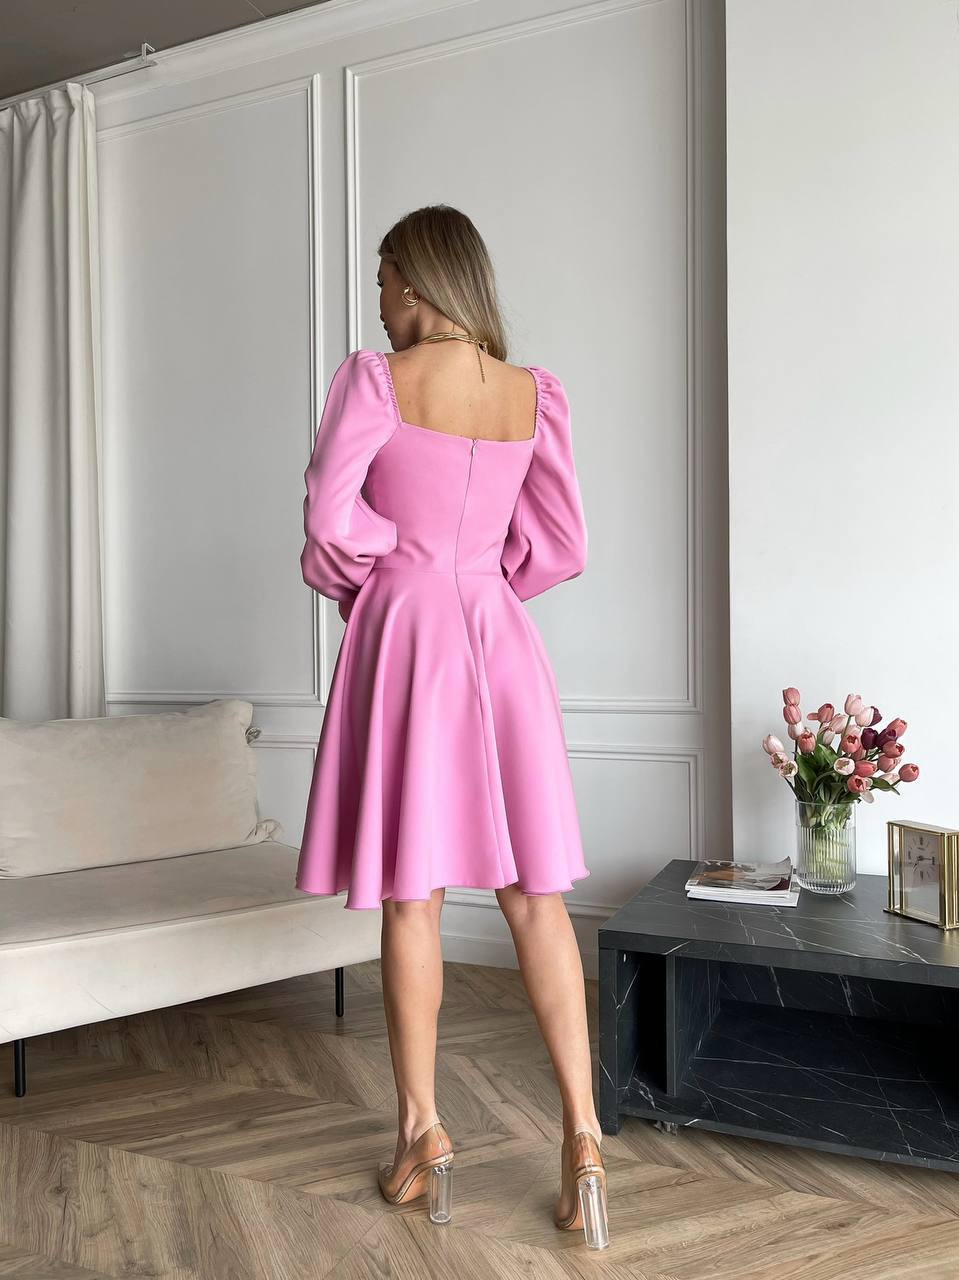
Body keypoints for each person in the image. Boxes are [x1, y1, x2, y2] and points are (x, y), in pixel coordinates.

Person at [295, 204, 608, 1250]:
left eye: (383, 280)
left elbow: (330, 523)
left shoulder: (375, 381)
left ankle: (422, 1128)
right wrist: (480, 579)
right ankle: (583, 1135)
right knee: (534, 895)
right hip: (497, 638)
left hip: (408, 632)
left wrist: (406, 560)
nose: (377, 302)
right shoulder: (533, 394)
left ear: (417, 281)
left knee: (411, 894)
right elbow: (557, 544)